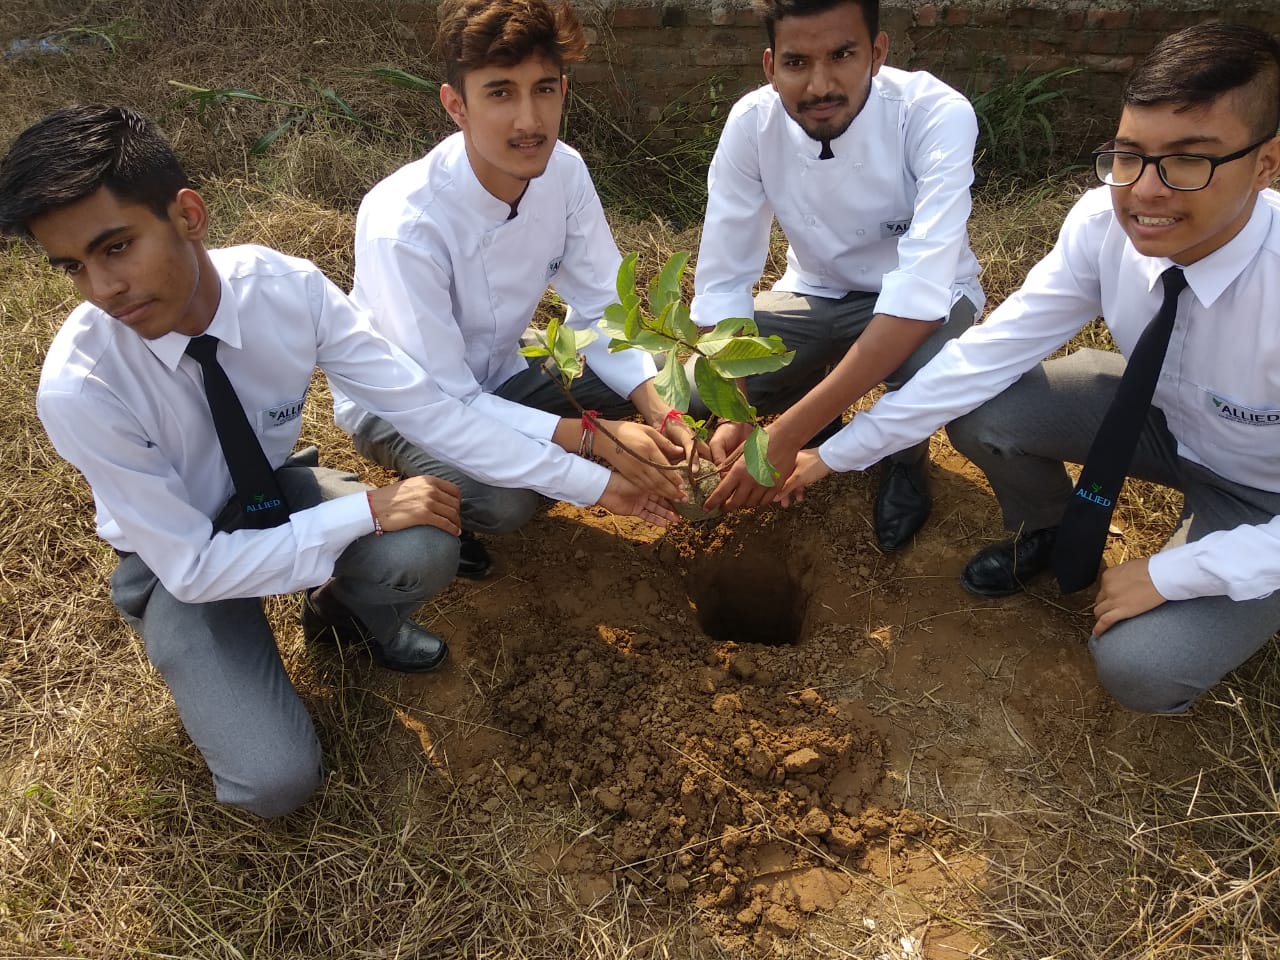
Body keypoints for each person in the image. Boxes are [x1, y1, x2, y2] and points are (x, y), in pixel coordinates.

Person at [2, 105, 675, 817]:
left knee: (422, 543)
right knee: (274, 783)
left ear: (188, 215)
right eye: (74, 267)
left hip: (274, 494)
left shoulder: (285, 291)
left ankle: (342, 617)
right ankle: (218, 663)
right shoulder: (84, 386)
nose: (103, 288)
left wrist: (594, 482)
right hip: (178, 561)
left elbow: (432, 411)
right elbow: (194, 567)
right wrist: (364, 509)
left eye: (116, 247)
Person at [780, 23, 1280, 715]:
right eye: (1129, 156)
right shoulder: (1103, 229)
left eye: (1188, 162)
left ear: (1266, 163)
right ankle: (1049, 529)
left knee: (1141, 668)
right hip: (1159, 417)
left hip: (1264, 493)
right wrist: (830, 456)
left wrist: (1184, 571)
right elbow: (986, 355)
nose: (1145, 192)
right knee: (987, 410)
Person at [333, 0, 697, 579]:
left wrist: (657, 406)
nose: (529, 121)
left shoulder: (565, 173)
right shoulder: (406, 225)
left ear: (564, 91)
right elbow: (446, 402)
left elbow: (603, 305)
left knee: (676, 398)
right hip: (408, 404)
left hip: (506, 366)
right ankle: (438, 491)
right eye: (500, 93)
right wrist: (591, 442)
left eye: (543, 90)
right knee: (507, 501)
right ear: (457, 105)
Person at [690, 0, 983, 551]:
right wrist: (738, 409)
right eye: (797, 63)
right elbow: (724, 278)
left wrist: (785, 433)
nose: (820, 85)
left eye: (842, 56)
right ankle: (820, 407)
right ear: (770, 66)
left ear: (876, 53)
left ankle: (904, 457)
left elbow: (918, 294)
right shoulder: (753, 124)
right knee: (704, 385)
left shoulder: (933, 113)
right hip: (815, 290)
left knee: (926, 364)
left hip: (935, 300)